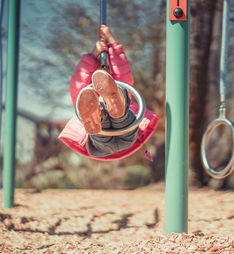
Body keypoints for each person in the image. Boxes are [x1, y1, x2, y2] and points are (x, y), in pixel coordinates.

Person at [58, 25, 159, 160]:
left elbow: (120, 71)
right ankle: (105, 113)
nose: (103, 81)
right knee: (106, 112)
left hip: (104, 142)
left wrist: (111, 43)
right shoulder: (86, 97)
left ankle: (113, 109)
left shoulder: (119, 86)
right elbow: (80, 82)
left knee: (121, 93)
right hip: (124, 136)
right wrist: (95, 54)